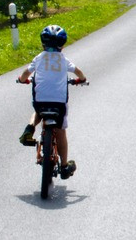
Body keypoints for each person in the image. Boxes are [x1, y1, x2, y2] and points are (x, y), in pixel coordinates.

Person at [16, 25, 87, 180]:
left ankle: (30, 128)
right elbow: (79, 72)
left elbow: (25, 73)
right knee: (61, 131)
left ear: (43, 43)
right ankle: (64, 166)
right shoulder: (64, 60)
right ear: (62, 44)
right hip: (59, 104)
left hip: (40, 100)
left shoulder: (39, 58)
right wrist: (81, 80)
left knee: (38, 111)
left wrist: (22, 80)